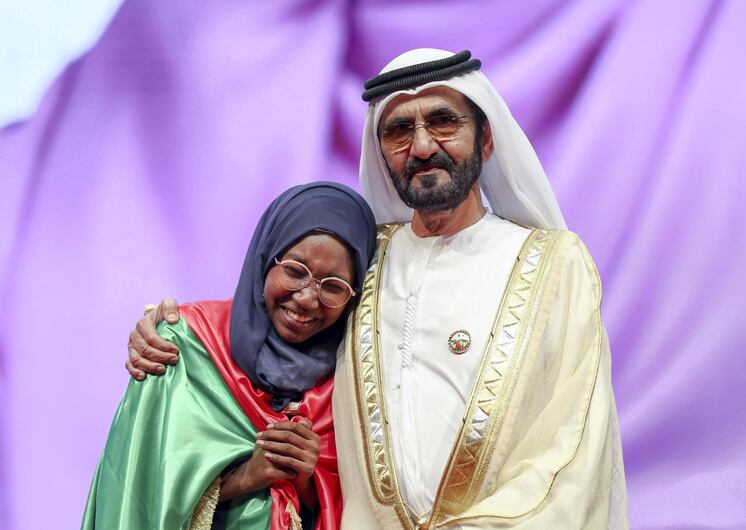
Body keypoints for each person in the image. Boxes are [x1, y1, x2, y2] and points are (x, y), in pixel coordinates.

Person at [129, 49, 628, 528]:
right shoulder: (366, 266)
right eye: (399, 130)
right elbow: (274, 328)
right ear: (381, 153)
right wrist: (171, 329)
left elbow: (574, 443)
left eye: (443, 121)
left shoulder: (556, 265)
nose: (423, 146)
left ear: (486, 140)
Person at [84, 182, 377, 530]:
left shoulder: (349, 384)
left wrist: (304, 481)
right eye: (295, 271)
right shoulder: (186, 345)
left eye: (333, 286)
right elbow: (134, 491)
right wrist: (244, 478)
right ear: (266, 257)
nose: (307, 299)